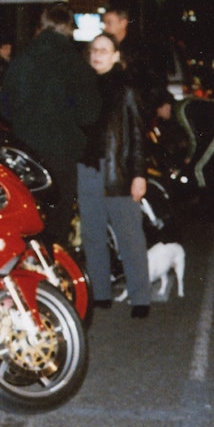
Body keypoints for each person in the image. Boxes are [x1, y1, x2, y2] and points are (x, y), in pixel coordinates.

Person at [2, 3, 100, 245]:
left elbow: (4, 108)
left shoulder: (21, 59)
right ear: (68, 28)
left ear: (43, 24)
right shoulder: (77, 64)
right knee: (58, 216)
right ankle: (54, 267)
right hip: (63, 152)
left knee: (30, 215)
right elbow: (89, 115)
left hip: (26, 152)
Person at [77, 32, 151, 319]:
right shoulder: (84, 86)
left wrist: (139, 175)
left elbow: (136, 135)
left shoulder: (126, 89)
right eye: (94, 50)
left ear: (116, 55)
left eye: (104, 50)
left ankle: (140, 297)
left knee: (129, 236)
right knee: (92, 235)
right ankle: (101, 293)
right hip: (88, 169)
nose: (97, 55)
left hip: (117, 171)